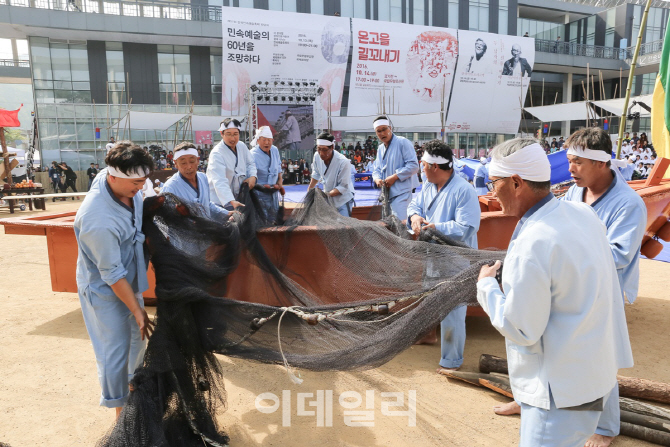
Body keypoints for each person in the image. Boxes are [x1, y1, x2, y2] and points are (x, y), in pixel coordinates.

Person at [478, 138, 633, 447]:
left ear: (517, 183)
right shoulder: (582, 214)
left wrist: (486, 287)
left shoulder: (533, 243)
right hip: (592, 378)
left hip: (557, 393)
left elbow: (521, 327)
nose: (492, 192)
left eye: (495, 183)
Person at [74, 141, 155, 420]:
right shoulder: (97, 218)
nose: (140, 188)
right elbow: (111, 273)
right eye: (135, 183)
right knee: (115, 350)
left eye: (144, 181)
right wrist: (137, 309)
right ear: (113, 176)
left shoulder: (122, 182)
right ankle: (121, 417)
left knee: (137, 340)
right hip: (104, 289)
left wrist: (137, 309)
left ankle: (135, 393)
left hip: (130, 280)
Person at [407, 140, 481, 371]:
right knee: (429, 298)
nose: (421, 168)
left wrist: (435, 227)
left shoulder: (463, 190)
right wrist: (415, 218)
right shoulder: (428, 185)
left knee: (452, 311)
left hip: (455, 260)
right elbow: (414, 205)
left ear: (434, 167)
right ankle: (429, 334)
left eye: (423, 164)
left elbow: (466, 228)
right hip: (433, 255)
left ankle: (452, 361)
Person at [371, 116, 420, 220]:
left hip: (402, 192)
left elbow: (414, 165)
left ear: (390, 128)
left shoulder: (402, 142)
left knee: (400, 225)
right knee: (389, 225)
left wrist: (395, 176)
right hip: (386, 194)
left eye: (384, 129)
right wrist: (376, 178)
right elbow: (376, 168)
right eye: (378, 131)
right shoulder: (380, 148)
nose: (382, 133)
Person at [206, 118, 257, 211]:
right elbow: (219, 180)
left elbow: (250, 163)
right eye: (228, 134)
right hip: (220, 201)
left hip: (238, 197)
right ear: (222, 134)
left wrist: (253, 176)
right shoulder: (217, 153)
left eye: (235, 134)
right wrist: (230, 200)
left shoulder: (241, 146)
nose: (232, 138)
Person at [309, 132, 355, 217]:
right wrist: (309, 191)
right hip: (329, 198)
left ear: (332, 147)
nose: (321, 153)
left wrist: (325, 195)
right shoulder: (316, 156)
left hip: (343, 199)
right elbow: (316, 174)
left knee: (343, 226)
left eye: (325, 150)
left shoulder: (343, 162)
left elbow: (343, 187)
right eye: (319, 149)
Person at [249, 126, 285, 223]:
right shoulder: (252, 154)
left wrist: (280, 180)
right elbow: (250, 174)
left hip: (273, 192)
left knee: (274, 218)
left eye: (269, 140)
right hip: (259, 194)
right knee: (261, 220)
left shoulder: (274, 150)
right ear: (258, 141)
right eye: (264, 140)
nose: (267, 143)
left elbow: (278, 166)